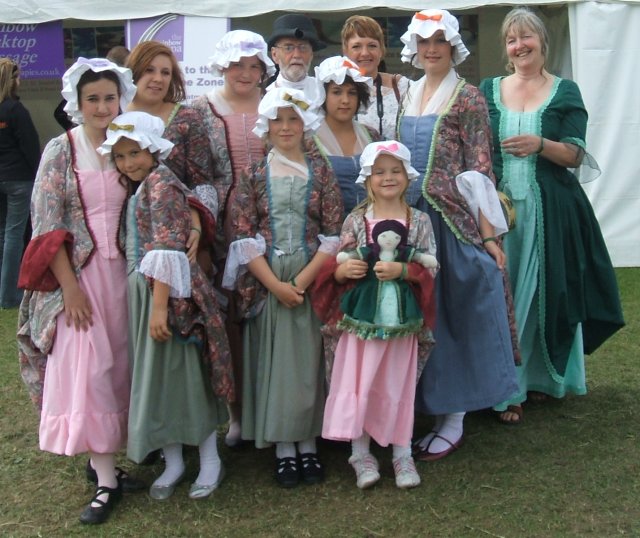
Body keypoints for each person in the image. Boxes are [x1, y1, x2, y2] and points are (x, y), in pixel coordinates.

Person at [479, 7, 624, 424]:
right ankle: (506, 385)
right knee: (502, 296)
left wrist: (542, 143)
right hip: (501, 212)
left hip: (551, 210)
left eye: (526, 37)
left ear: (543, 41)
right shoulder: (489, 89)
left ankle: (541, 379)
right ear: (506, 48)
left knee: (547, 293)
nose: (519, 45)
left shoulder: (565, 91)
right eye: (511, 39)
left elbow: (576, 153)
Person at [16, 58, 142, 525]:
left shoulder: (130, 144)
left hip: (127, 276)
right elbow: (47, 227)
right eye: (93, 99)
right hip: (81, 278)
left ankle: (110, 460)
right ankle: (106, 481)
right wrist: (70, 289)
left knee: (124, 368)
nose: (103, 106)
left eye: (110, 97)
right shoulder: (60, 150)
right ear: (77, 103)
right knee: (89, 372)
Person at [397, 10, 519, 460]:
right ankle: (424, 408)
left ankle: (455, 417)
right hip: (410, 222)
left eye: (439, 42)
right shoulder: (406, 92)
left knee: (455, 311)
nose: (431, 49)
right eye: (424, 41)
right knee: (420, 318)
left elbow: (480, 169)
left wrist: (489, 237)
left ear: (453, 47)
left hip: (449, 221)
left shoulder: (467, 97)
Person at [98, 111, 234, 500]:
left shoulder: (162, 184)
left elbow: (168, 246)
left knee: (185, 376)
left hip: (171, 297)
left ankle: (209, 459)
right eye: (121, 157)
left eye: (135, 153)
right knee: (160, 380)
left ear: (153, 150)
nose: (128, 162)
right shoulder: (143, 185)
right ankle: (173, 459)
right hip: (148, 291)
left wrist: (159, 308)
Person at [222, 87, 343, 488]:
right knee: (274, 360)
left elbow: (332, 233)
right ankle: (283, 448)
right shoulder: (255, 175)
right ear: (267, 125)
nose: (286, 127)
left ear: (304, 125)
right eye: (278, 120)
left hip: (310, 274)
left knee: (306, 361)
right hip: (267, 279)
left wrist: (303, 282)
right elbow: (243, 234)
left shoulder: (320, 171)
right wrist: (275, 285)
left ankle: (308, 441)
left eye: (293, 119)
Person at [314, 141, 437, 489]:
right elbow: (339, 262)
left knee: (396, 382)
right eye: (380, 171)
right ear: (367, 178)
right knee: (361, 381)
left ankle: (402, 453)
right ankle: (360, 452)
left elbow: (431, 266)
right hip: (362, 325)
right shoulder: (356, 220)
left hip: (400, 323)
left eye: (395, 171)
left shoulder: (419, 221)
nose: (388, 178)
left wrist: (404, 271)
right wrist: (344, 271)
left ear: (407, 177)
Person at [192, 29, 275, 447]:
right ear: (222, 66)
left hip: (272, 219)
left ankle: (272, 406)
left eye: (253, 65)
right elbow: (183, 173)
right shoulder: (199, 110)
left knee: (270, 312)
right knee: (229, 319)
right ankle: (236, 411)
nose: (245, 73)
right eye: (237, 64)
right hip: (221, 225)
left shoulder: (277, 107)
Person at [126, 41, 223, 229]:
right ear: (134, 72)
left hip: (177, 227)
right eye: (149, 70)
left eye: (165, 72)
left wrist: (198, 228)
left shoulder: (187, 118)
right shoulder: (115, 117)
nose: (158, 79)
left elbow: (202, 183)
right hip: (121, 230)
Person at [313, 56, 380, 216]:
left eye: (352, 93)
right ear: (323, 95)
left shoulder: (371, 136)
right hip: (327, 234)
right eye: (336, 92)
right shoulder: (308, 140)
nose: (345, 100)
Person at [0, 58, 40, 308]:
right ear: (13, 80)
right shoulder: (15, 110)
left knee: (3, 233)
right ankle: (9, 295)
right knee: (14, 234)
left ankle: (3, 291)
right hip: (18, 180)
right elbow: (30, 146)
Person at [341, 15, 411, 140]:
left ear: (381, 50)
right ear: (345, 51)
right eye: (356, 46)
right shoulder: (335, 90)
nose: (365, 53)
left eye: (372, 45)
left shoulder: (402, 87)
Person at [266, 14, 326, 111]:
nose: (297, 55)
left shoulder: (323, 91)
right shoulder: (266, 98)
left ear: (311, 54)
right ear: (274, 55)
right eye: (288, 48)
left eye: (303, 48)